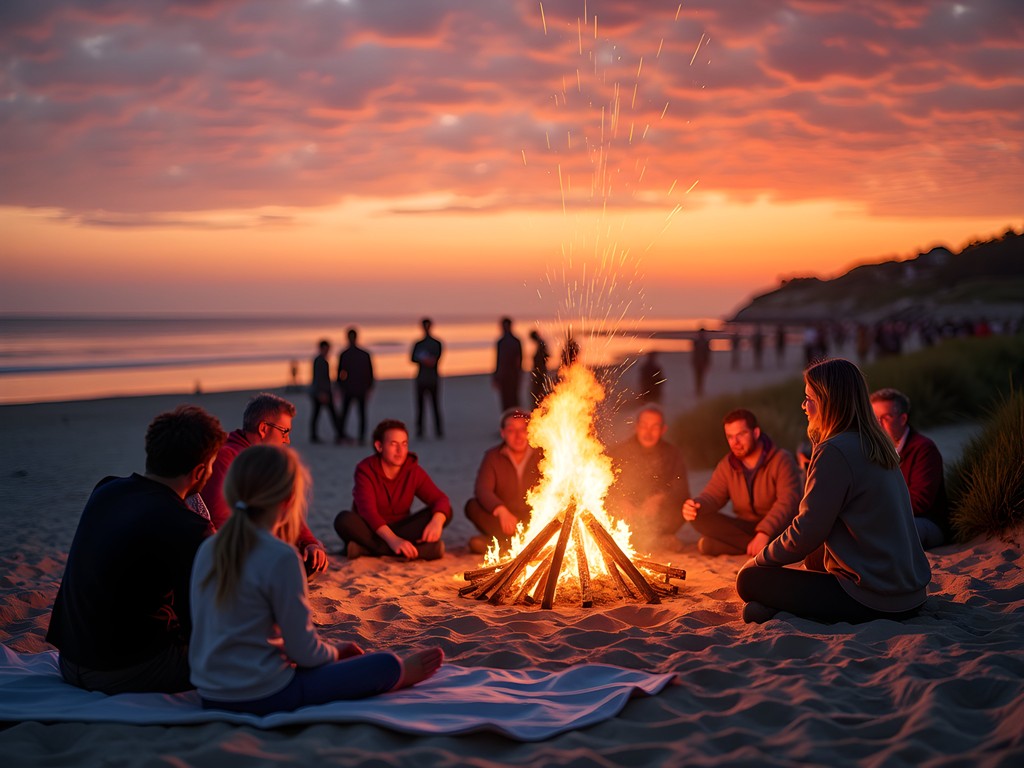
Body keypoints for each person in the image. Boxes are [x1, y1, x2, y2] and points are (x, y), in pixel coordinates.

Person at [190, 445, 442, 714]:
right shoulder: (281, 556)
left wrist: (323, 651)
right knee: (385, 664)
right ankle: (400, 672)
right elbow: (304, 653)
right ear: (289, 499)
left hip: (211, 694)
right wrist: (335, 653)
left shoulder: (209, 548)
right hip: (264, 694)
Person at [736, 358, 932, 624]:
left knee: (749, 580)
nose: (804, 406)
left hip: (874, 597)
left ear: (828, 402)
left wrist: (760, 560)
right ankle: (774, 610)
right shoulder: (876, 443)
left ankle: (777, 607)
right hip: (910, 594)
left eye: (809, 399)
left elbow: (806, 531)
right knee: (815, 557)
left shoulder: (835, 450)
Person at [46, 405, 227, 694]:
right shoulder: (188, 526)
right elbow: (200, 626)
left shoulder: (106, 489)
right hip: (125, 670)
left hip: (69, 660)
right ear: (199, 471)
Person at [202, 393, 328, 578]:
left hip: (259, 544)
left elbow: (287, 510)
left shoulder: (267, 461)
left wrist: (309, 543)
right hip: (235, 553)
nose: (287, 440)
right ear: (263, 428)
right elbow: (221, 521)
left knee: (308, 559)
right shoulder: (227, 457)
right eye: (284, 432)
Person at [683, 409, 801, 557]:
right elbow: (713, 496)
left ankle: (747, 545)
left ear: (755, 433)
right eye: (730, 436)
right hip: (746, 527)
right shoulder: (727, 464)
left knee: (709, 545)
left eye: (741, 434)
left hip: (779, 527)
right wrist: (696, 506)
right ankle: (760, 547)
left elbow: (788, 502)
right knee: (698, 516)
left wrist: (765, 532)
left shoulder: (781, 460)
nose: (735, 442)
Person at [333, 419, 452, 560]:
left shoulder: (412, 470)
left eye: (404, 444)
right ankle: (414, 551)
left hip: (402, 529)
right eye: (393, 444)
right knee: (344, 519)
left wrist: (437, 521)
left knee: (444, 512)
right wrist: (393, 541)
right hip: (371, 529)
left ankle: (364, 550)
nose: (400, 451)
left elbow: (440, 499)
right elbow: (368, 512)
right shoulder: (365, 470)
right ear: (379, 446)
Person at [870, 388, 950, 548]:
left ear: (903, 419)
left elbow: (920, 501)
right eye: (874, 418)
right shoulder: (873, 450)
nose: (878, 424)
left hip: (925, 521)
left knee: (892, 531)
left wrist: (880, 511)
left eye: (885, 417)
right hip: (888, 518)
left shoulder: (924, 449)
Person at [606, 405, 690, 552]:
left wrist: (659, 498)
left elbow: (681, 488)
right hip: (625, 514)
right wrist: (621, 501)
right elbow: (605, 484)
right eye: (644, 426)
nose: (648, 432)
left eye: (654, 427)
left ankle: (649, 540)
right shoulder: (619, 452)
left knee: (684, 507)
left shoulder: (672, 454)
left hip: (657, 515)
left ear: (663, 429)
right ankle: (653, 542)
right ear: (636, 427)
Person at [465, 408, 543, 555]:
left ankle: (502, 545)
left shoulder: (542, 455)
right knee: (472, 506)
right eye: (511, 430)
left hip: (534, 517)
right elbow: (482, 489)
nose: (518, 436)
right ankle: (512, 544)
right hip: (506, 521)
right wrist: (501, 510)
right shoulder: (493, 457)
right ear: (503, 433)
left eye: (523, 429)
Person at [338, 326, 375, 445]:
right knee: (361, 413)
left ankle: (342, 435)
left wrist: (340, 387)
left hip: (350, 387)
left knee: (346, 413)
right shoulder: (364, 354)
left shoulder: (345, 354)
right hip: (360, 387)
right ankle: (361, 437)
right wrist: (369, 387)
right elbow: (370, 373)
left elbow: (340, 373)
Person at [411, 317, 444, 438]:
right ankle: (420, 430)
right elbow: (412, 358)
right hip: (421, 378)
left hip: (432, 378)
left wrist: (426, 359)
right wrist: (423, 359)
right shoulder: (418, 344)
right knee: (420, 406)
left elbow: (436, 359)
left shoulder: (436, 343)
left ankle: (438, 430)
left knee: (435, 405)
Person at [310, 339, 341, 444]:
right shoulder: (320, 361)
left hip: (321, 391)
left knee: (319, 414)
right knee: (328, 414)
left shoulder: (321, 360)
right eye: (327, 348)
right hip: (322, 392)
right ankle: (339, 434)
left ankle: (315, 435)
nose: (328, 351)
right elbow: (319, 378)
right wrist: (322, 393)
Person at [493, 316, 523, 411]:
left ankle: (514, 417)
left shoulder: (514, 341)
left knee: (512, 399)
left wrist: (519, 373)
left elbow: (520, 359)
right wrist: (496, 375)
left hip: (512, 375)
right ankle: (509, 417)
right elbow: (498, 360)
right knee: (507, 400)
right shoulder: (501, 342)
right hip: (505, 375)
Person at [529, 329, 550, 407]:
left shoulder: (541, 344)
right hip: (540, 372)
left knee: (537, 393)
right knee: (537, 393)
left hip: (540, 373)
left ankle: (538, 408)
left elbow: (545, 356)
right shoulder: (541, 344)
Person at [691, 327, 711, 397]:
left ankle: (700, 390)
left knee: (702, 377)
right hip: (697, 362)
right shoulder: (696, 342)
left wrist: (708, 362)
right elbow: (694, 352)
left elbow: (708, 353)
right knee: (697, 377)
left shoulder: (706, 342)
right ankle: (697, 390)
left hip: (703, 362)